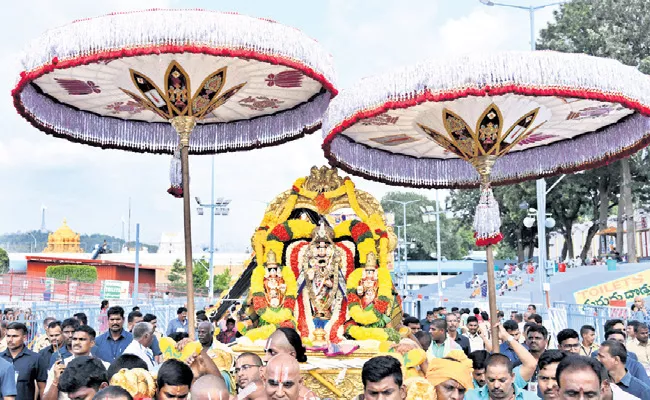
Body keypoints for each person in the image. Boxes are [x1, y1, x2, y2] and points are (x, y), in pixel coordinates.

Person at [44, 325, 107, 400]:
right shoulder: (59, 367)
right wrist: (56, 381)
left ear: (92, 343)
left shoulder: (104, 366)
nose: (77, 342)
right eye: (74, 339)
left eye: (82, 339)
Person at [465, 353, 540, 400]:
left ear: (513, 377)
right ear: (485, 376)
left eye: (502, 380)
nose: (496, 385)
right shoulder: (469, 397)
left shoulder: (530, 398)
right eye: (491, 380)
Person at [3, 321, 46, 400]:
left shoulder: (35, 358)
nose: (10, 339)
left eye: (15, 336)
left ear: (24, 338)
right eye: (8, 336)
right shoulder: (1, 358)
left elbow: (42, 388)